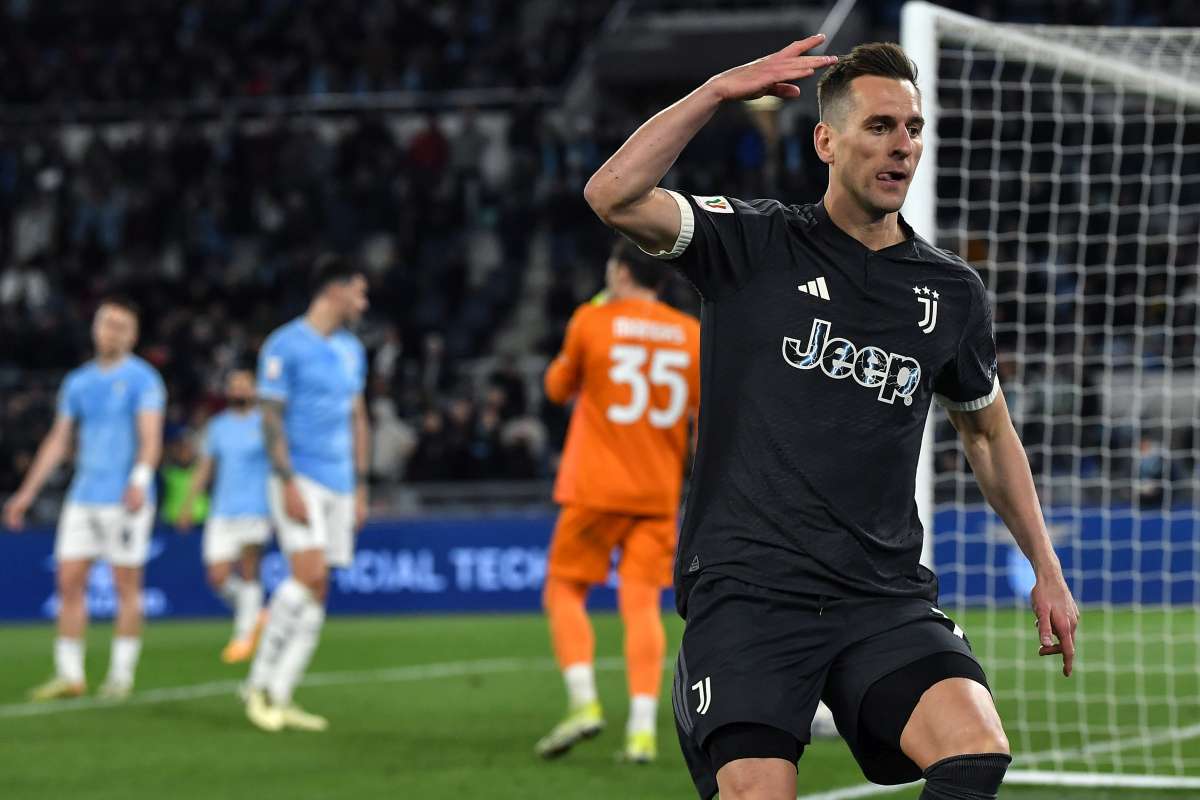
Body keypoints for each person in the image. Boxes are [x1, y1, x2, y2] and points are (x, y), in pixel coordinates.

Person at [583, 37, 1080, 800]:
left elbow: (987, 434)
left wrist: (1046, 568)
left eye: (912, 128)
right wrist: (715, 91)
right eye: (879, 126)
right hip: (750, 594)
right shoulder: (752, 243)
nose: (902, 146)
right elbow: (613, 195)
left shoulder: (952, 292)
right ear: (826, 141)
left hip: (880, 597)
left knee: (975, 751)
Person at [536, 239, 701, 764]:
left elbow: (556, 388)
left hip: (595, 486)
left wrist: (591, 310)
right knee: (641, 604)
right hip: (657, 491)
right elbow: (704, 417)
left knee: (564, 588)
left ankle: (584, 703)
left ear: (622, 272)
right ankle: (641, 731)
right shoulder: (691, 333)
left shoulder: (593, 320)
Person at [3, 297, 165, 701]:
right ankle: (70, 675)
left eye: (120, 326)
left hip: (125, 498)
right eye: (106, 323)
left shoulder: (143, 379)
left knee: (126, 586)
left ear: (133, 335)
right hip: (83, 495)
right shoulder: (78, 382)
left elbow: (150, 438)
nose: (111, 332)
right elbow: (58, 441)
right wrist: (25, 494)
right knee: (68, 582)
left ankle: (120, 677)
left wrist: (139, 481)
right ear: (94, 328)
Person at [242, 255, 370, 732]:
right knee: (308, 573)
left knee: (319, 588)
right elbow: (270, 418)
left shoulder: (352, 350)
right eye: (359, 292)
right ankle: (257, 685)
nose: (363, 302)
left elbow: (358, 418)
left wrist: (361, 485)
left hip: (340, 482)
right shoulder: (284, 345)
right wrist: (287, 480)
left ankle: (282, 692)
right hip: (300, 477)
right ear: (335, 290)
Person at [177, 368, 271, 664]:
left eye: (245, 385)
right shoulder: (218, 426)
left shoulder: (266, 423)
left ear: (254, 390)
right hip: (222, 510)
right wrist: (189, 503)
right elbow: (206, 467)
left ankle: (243, 638)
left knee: (249, 569)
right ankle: (256, 613)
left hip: (257, 508)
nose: (239, 390)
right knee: (217, 577)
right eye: (235, 386)